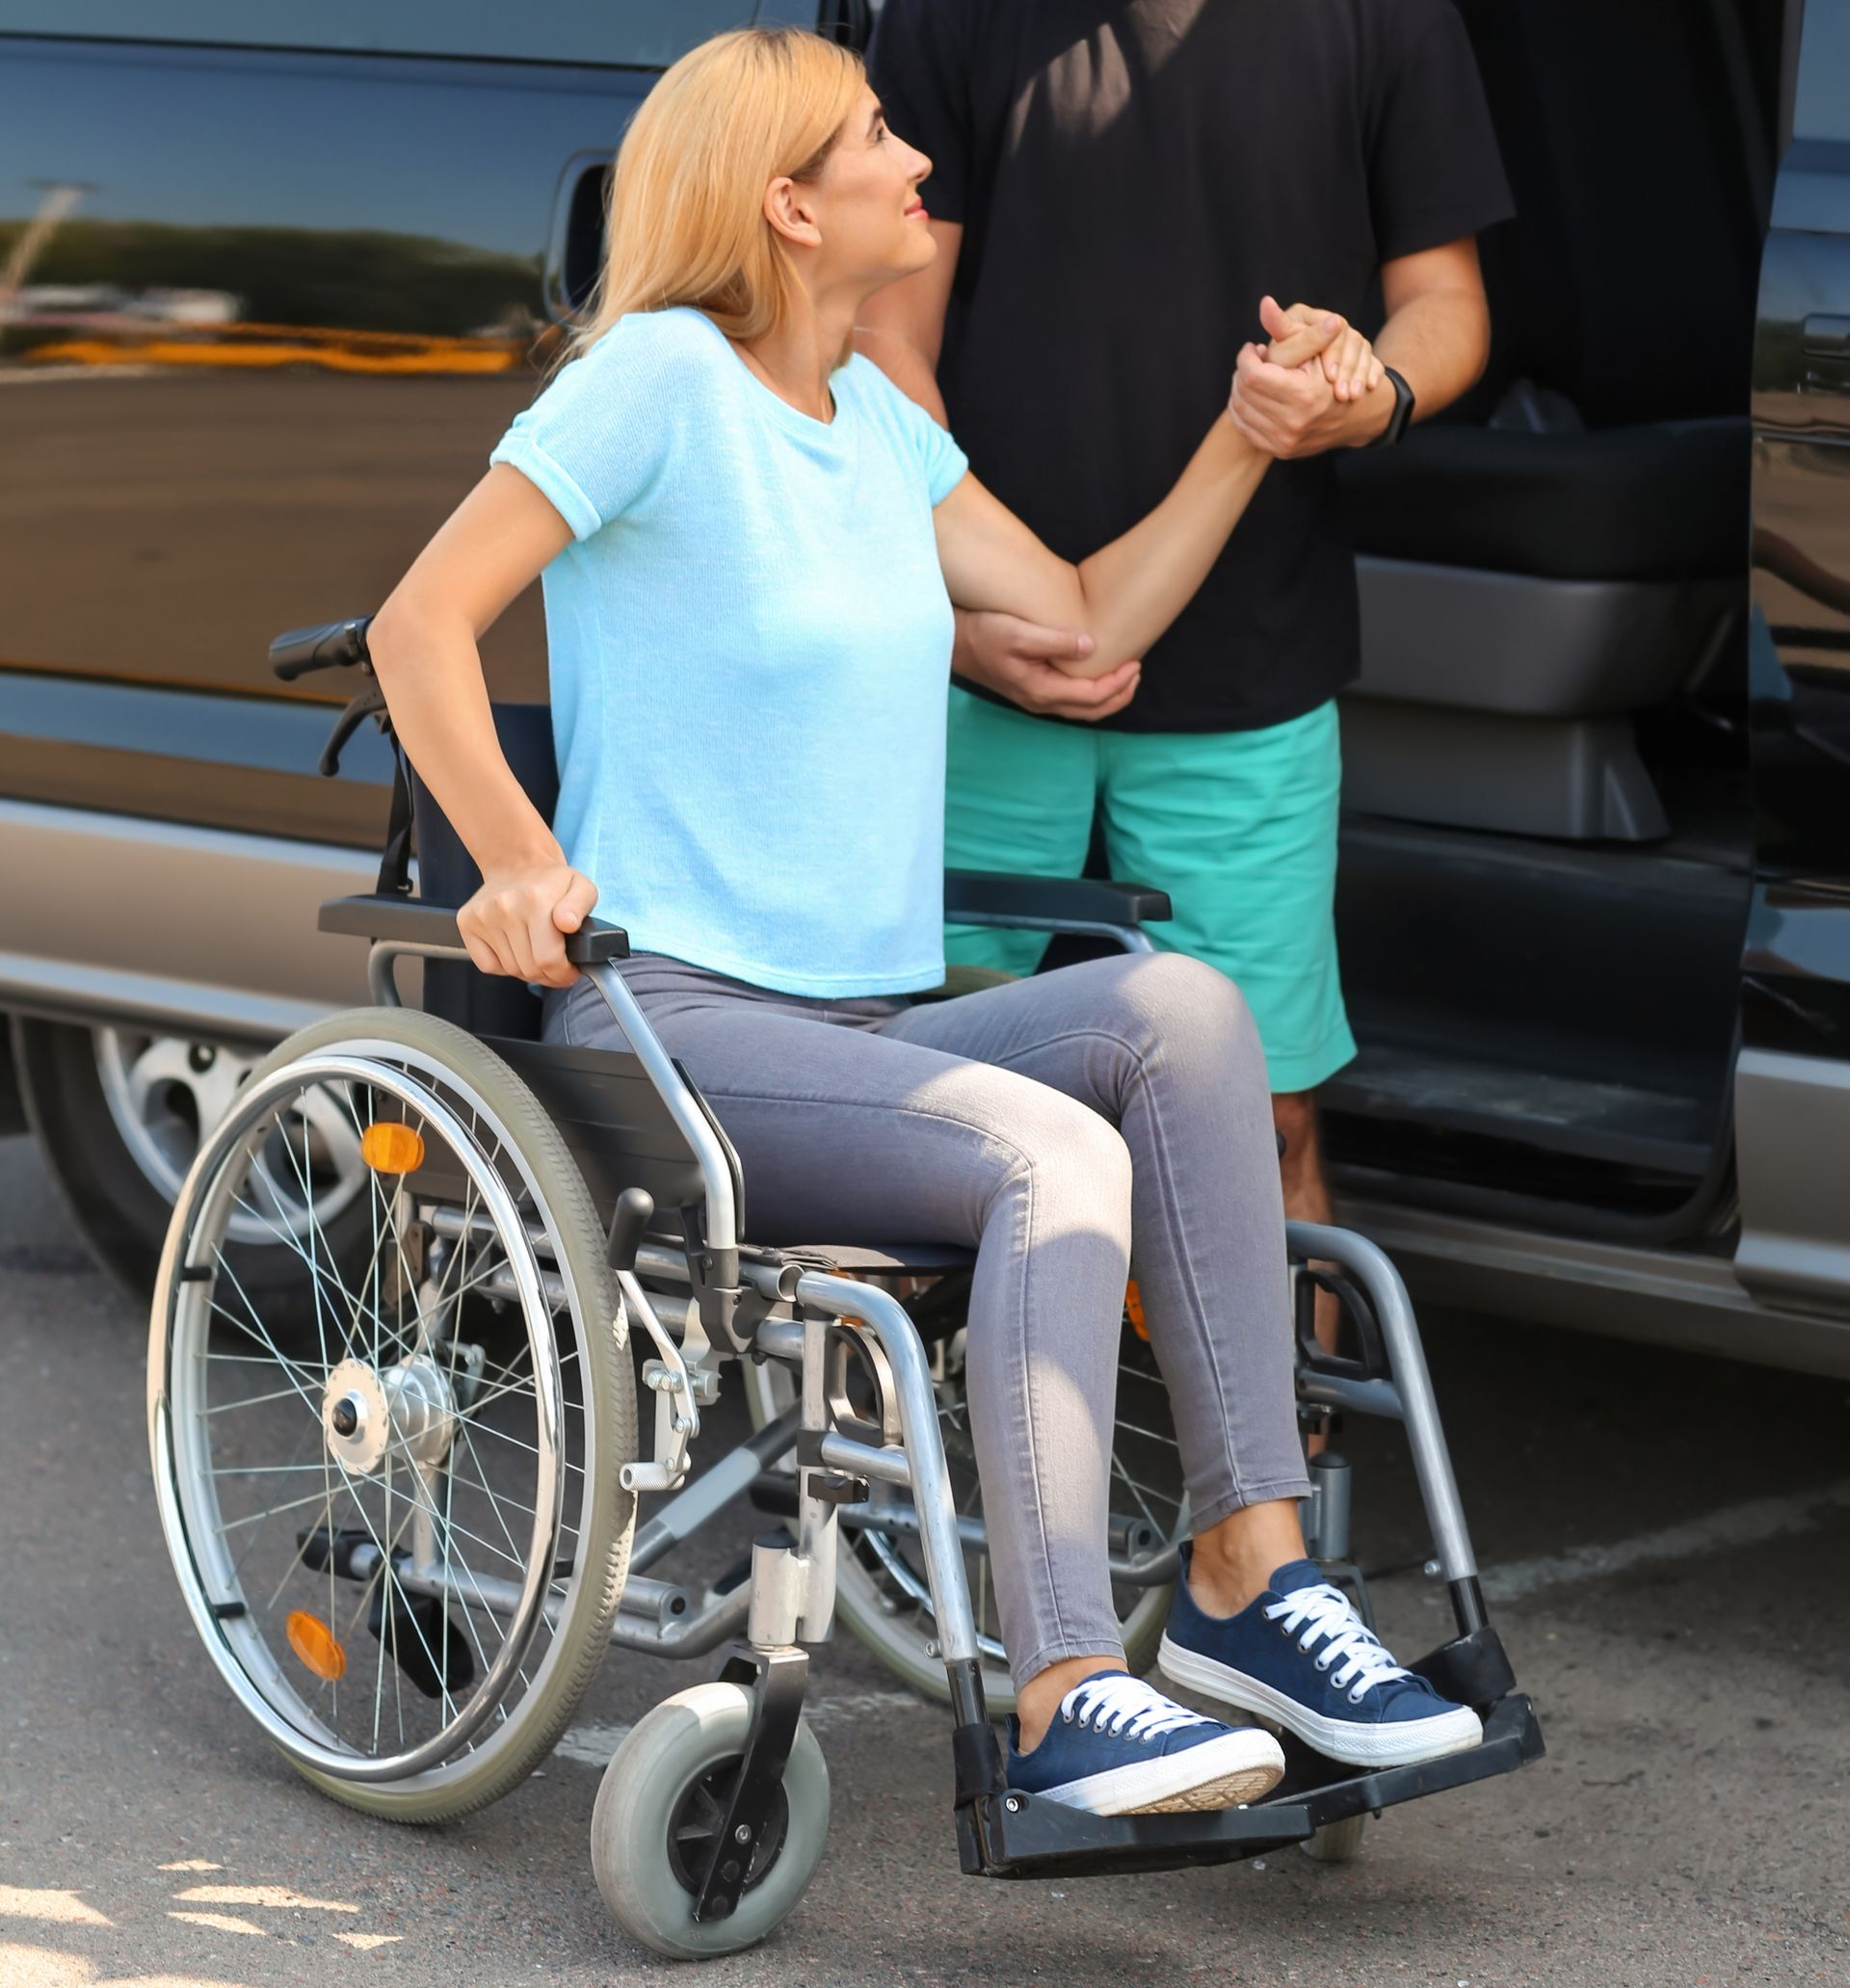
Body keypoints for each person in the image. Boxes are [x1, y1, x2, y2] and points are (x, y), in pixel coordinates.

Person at [364, 27, 1481, 1818]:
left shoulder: (878, 428)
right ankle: (1058, 1693)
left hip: (865, 1029)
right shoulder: (654, 380)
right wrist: (508, 852)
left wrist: (1247, 430)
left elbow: (1097, 611)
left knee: (1184, 1008)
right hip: (682, 1025)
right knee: (1051, 1148)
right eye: (874, 138)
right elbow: (422, 625)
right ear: (789, 206)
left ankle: (1245, 1586)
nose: (912, 157)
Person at [859, 0, 1514, 1270]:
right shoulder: (953, 16)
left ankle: (1285, 1455)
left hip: (1249, 678)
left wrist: (1367, 390)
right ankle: (914, 1460)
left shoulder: (1390, 18)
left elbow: (1448, 302)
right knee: (915, 1085)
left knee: (1264, 1118)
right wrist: (953, 614)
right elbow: (886, 332)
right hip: (976, 675)